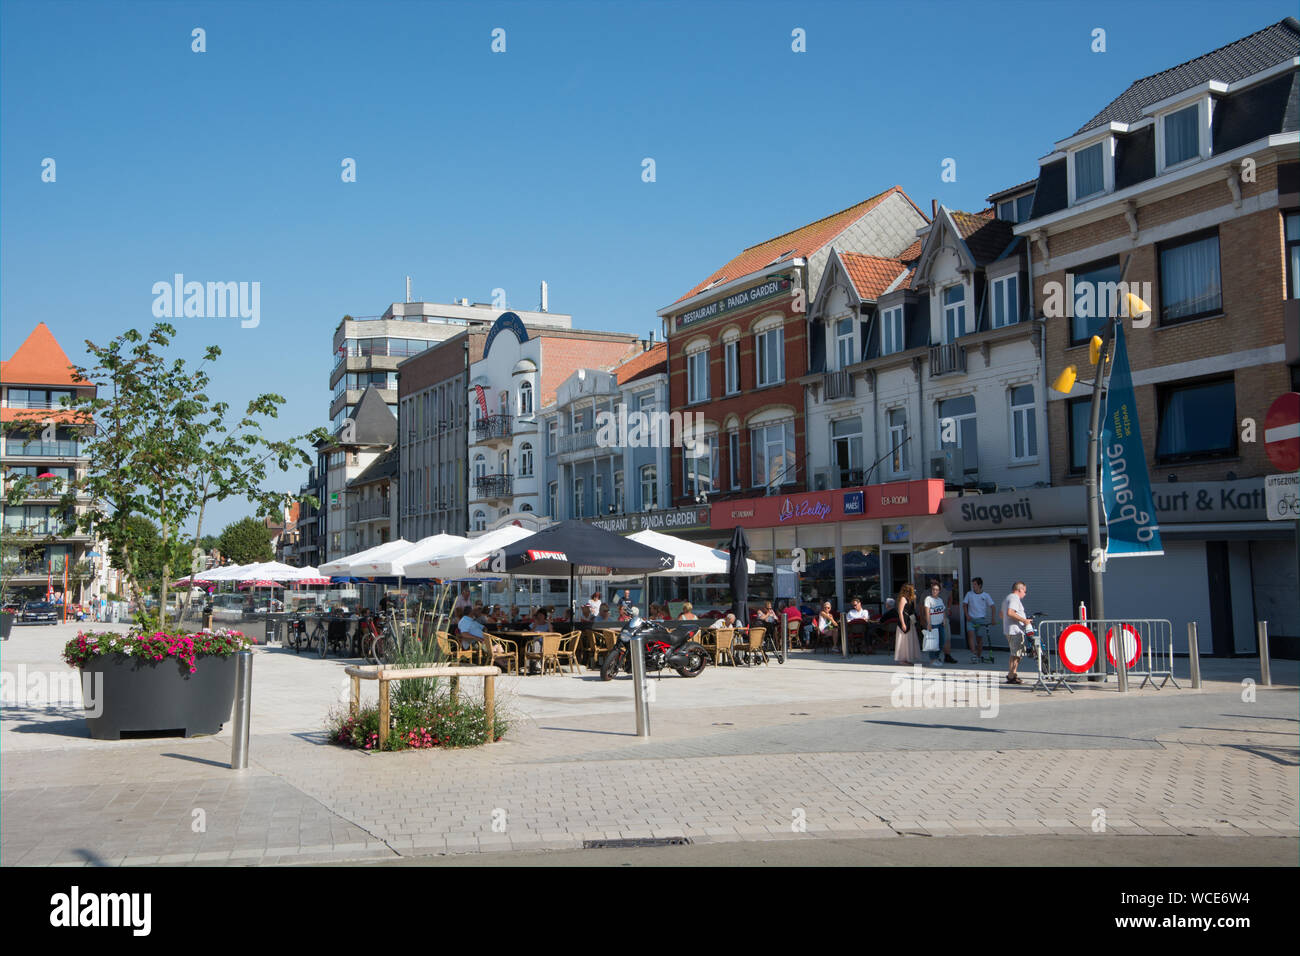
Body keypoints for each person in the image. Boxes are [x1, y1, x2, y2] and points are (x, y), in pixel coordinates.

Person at [1001, 581, 1030, 684]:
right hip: (1015, 631)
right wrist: (1024, 620)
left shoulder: (1007, 598)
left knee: (1014, 654)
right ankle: (1011, 675)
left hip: (1010, 629)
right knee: (1017, 654)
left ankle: (1012, 674)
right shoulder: (1014, 598)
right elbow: (1010, 612)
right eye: (1024, 591)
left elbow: (1002, 614)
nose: (1025, 594)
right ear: (1020, 590)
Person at [963, 577, 997, 664]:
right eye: (972, 584)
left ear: (980, 585)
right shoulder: (969, 594)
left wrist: (993, 618)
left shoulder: (985, 595)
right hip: (971, 619)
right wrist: (967, 615)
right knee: (970, 636)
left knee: (979, 639)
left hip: (981, 619)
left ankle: (978, 655)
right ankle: (974, 654)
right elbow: (964, 605)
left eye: (975, 584)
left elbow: (993, 607)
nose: (973, 586)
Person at [893, 584, 921, 665]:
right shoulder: (903, 599)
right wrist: (903, 624)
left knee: (910, 640)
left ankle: (908, 658)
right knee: (904, 640)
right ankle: (903, 659)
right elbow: (900, 612)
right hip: (904, 621)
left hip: (910, 621)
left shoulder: (911, 599)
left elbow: (913, 609)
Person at [922, 581, 947, 667]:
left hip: (940, 624)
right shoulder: (928, 599)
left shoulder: (940, 600)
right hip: (933, 624)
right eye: (933, 589)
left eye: (936, 590)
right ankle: (932, 660)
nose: (935, 591)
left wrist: (944, 619)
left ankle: (936, 658)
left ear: (939, 591)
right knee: (933, 643)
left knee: (942, 641)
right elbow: (927, 611)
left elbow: (943, 610)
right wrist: (929, 623)